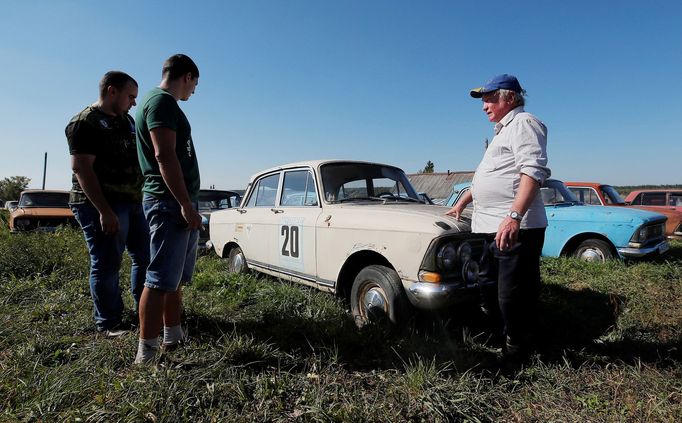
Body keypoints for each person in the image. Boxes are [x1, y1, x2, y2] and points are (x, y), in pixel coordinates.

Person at [446, 74, 550, 361]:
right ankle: (501, 332)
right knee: (487, 284)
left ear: (511, 98)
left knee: (512, 293)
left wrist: (514, 216)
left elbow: (532, 172)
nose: (484, 106)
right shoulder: (502, 131)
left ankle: (517, 350)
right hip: (491, 227)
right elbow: (488, 177)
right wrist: (462, 203)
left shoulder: (524, 123)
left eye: (490, 98)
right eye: (483, 100)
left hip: (515, 228)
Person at [66, 71, 150, 337]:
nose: (134, 103)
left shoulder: (127, 122)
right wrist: (104, 210)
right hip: (100, 204)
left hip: (133, 201)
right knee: (106, 262)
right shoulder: (84, 123)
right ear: (112, 91)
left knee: (145, 258)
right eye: (130, 96)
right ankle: (109, 323)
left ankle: (145, 312)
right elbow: (82, 168)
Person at [134, 54, 202, 364]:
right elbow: (164, 156)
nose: (193, 91)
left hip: (175, 200)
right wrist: (184, 203)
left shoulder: (162, 103)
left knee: (172, 278)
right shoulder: (161, 102)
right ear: (186, 76)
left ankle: (173, 334)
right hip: (169, 201)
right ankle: (146, 352)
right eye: (195, 84)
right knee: (159, 278)